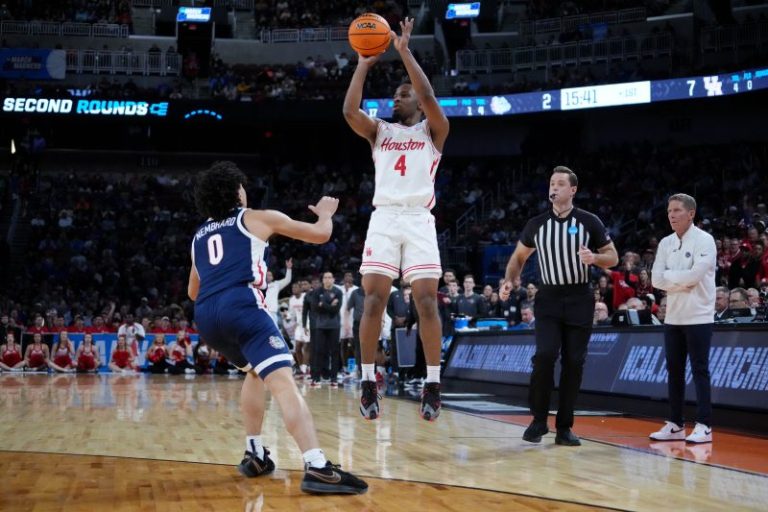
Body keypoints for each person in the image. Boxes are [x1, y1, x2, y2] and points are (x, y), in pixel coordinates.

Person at [187, 162, 367, 494]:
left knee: (255, 372)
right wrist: (326, 213)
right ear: (236, 191)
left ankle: (255, 452)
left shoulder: (199, 236)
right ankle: (317, 466)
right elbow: (321, 235)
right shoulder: (255, 217)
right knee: (284, 382)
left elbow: (192, 291)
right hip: (241, 306)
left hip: (207, 317)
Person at [343, 17, 449, 421]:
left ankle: (433, 383)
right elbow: (349, 109)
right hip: (385, 218)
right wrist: (363, 63)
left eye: (403, 95)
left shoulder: (434, 130)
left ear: (417, 104)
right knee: (373, 301)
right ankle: (369, 380)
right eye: (395, 95)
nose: (397, 99)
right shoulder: (379, 132)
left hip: (419, 219)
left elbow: (426, 91)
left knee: (425, 302)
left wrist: (403, 51)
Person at [500, 166, 618, 446]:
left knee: (574, 363)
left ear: (572, 190)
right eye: (552, 183)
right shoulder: (537, 224)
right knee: (544, 355)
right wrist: (509, 280)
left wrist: (595, 259)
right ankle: (538, 420)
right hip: (549, 297)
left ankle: (564, 427)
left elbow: (612, 256)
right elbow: (518, 257)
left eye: (560, 183)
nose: (554, 187)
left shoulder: (590, 221)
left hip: (580, 297)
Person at [650, 193, 716, 444]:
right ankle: (676, 424)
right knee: (674, 371)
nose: (672, 215)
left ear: (691, 214)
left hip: (699, 315)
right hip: (673, 317)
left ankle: (705, 425)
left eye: (677, 210)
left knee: (700, 370)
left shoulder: (705, 240)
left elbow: (695, 276)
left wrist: (672, 278)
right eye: (669, 211)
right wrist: (680, 279)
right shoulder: (665, 243)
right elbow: (656, 280)